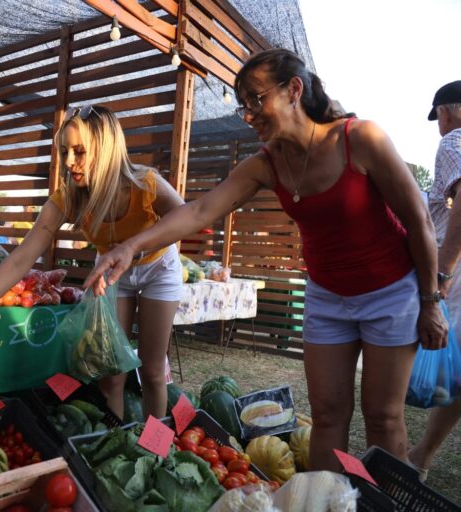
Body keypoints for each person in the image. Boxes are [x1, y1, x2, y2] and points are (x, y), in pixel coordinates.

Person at [85, 49, 448, 471]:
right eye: (245, 106)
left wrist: (430, 299)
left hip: (390, 291)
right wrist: (131, 246)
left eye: (256, 100)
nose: (250, 115)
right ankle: (324, 501)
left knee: (382, 418)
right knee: (328, 415)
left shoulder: (359, 138)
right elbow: (200, 211)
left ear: (294, 89)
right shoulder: (266, 164)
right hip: (329, 298)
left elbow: (418, 219)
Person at [0, 105, 184, 420]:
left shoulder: (146, 185)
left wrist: (134, 249)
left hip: (158, 269)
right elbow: (21, 260)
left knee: (153, 371)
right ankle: (117, 443)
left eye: (80, 151)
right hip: (113, 275)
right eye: (64, 152)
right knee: (111, 373)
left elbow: (186, 218)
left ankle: (157, 450)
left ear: (108, 150)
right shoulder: (69, 198)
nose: (70, 162)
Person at [408, 80, 461, 482]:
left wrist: (441, 274)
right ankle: (420, 456)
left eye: (439, 117)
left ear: (447, 111)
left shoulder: (454, 141)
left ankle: (402, 449)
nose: (440, 126)